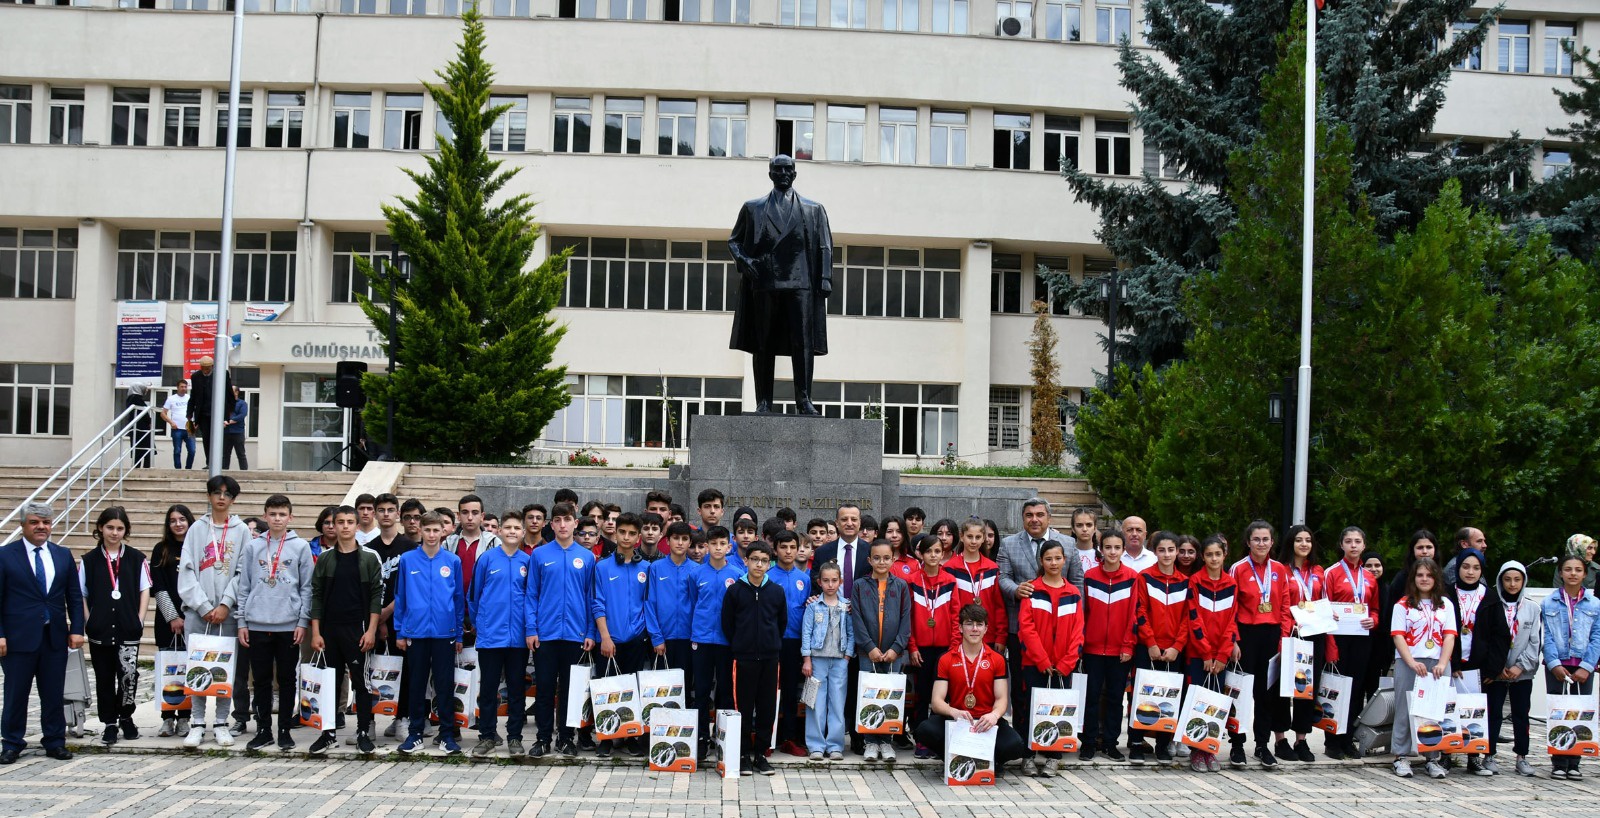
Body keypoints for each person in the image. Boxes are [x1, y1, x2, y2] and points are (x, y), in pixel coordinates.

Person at [728, 154, 833, 413]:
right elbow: (734, 241)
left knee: (803, 342)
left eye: (788, 169)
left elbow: (825, 245)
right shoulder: (753, 208)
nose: (784, 173)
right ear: (770, 174)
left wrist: (825, 278)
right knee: (763, 342)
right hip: (765, 281)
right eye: (778, 169)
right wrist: (745, 260)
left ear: (795, 174)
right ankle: (763, 401)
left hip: (801, 283)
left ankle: (804, 399)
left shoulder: (813, 208)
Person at [0, 502, 85, 764]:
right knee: (16, 694)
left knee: (52, 693)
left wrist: (77, 629)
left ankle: (54, 741)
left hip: (54, 637)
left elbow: (73, 595)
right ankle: (12, 743)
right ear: (23, 525)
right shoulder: (5, 555)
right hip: (18, 639)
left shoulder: (62, 555)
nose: (41, 527)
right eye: (35, 522)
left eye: (46, 523)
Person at [912, 604, 1029, 776]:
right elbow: (937, 702)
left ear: (986, 628)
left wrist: (994, 716)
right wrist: (954, 712)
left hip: (986, 722)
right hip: (957, 721)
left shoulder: (997, 659)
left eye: (979, 624)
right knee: (924, 731)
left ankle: (989, 760)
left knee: (1016, 745)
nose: (974, 629)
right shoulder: (946, 659)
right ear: (960, 627)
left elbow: (1002, 698)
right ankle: (955, 758)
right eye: (969, 624)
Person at [235, 494, 313, 752]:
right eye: (273, 514)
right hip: (257, 623)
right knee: (260, 680)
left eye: (282, 514)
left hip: (289, 624)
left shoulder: (300, 546)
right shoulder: (253, 547)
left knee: (288, 679)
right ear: (265, 516)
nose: (277, 519)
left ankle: (284, 730)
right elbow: (243, 586)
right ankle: (263, 729)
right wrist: (242, 622)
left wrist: (302, 621)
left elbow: (307, 588)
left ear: (290, 517)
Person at [176, 474, 249, 749]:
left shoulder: (241, 530)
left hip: (227, 613)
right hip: (199, 612)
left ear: (233, 499)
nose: (221, 498)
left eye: (227, 493)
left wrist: (225, 604)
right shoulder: (196, 529)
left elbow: (242, 572)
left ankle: (220, 722)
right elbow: (187, 571)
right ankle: (196, 723)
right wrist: (205, 606)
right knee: (197, 666)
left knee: (223, 669)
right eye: (216, 492)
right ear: (208, 495)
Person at [998, 498, 1083, 732]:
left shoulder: (1067, 543)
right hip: (1023, 629)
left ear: (1049, 517)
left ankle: (1053, 741)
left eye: (1039, 514)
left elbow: (1077, 581)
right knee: (1024, 688)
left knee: (1058, 693)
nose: (1034, 519)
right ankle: (1024, 738)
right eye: (1029, 515)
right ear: (1023, 518)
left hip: (1063, 632)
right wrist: (1017, 590)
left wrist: (1075, 614)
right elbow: (1002, 577)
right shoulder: (1009, 543)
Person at [307, 505, 382, 755]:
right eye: (340, 522)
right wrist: (316, 632)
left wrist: (371, 630)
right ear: (334, 526)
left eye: (350, 521)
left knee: (361, 683)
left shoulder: (369, 558)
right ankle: (327, 733)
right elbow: (316, 596)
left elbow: (375, 597)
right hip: (330, 631)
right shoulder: (326, 558)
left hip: (357, 629)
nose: (346, 526)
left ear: (357, 526)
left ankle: (362, 732)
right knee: (330, 682)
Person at [527, 502, 597, 757]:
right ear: (552, 524)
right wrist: (531, 629)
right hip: (546, 634)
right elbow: (531, 594)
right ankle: (543, 738)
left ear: (576, 523)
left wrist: (590, 632)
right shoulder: (540, 555)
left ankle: (566, 738)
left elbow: (592, 598)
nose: (563, 524)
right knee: (544, 688)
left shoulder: (588, 557)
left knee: (571, 690)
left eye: (568, 519)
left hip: (576, 635)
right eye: (558, 520)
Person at [394, 511, 465, 755]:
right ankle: (415, 734)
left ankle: (446, 734)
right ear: (420, 531)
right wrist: (400, 631)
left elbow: (458, 600)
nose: (432, 535)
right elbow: (401, 597)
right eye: (428, 530)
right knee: (416, 684)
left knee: (444, 685)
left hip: (445, 633)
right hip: (416, 632)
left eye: (437, 530)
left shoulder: (452, 561)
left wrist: (458, 634)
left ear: (444, 532)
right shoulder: (407, 560)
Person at [80, 506, 150, 745]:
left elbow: (144, 589)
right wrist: (90, 620)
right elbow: (82, 593)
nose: (114, 533)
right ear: (101, 528)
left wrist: (139, 619)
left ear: (126, 531)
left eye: (120, 528)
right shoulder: (88, 560)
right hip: (100, 630)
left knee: (128, 675)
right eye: (110, 527)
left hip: (128, 628)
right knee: (104, 676)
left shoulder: (136, 558)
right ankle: (109, 722)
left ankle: (126, 717)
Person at [468, 506, 533, 759]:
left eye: (517, 528)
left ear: (523, 532)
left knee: (517, 689)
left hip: (518, 638)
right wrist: (480, 624)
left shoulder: (528, 562)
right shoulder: (486, 559)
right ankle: (486, 736)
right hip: (490, 636)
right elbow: (473, 596)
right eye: (508, 527)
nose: (512, 531)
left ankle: (515, 737)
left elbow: (531, 598)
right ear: (499, 531)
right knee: (489, 689)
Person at [1016, 540, 1084, 776]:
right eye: (1048, 559)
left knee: (1059, 710)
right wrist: (1042, 661)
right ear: (1041, 561)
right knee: (1030, 709)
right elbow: (1026, 629)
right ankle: (1028, 755)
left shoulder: (1073, 593)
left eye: (1058, 558)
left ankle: (1054, 756)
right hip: (1036, 665)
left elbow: (1078, 632)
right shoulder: (1033, 590)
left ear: (1064, 560)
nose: (1053, 563)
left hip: (1064, 667)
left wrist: (1066, 663)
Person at [1227, 520, 1291, 769]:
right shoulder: (1239, 568)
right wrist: (1233, 639)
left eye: (1265, 539)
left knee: (1266, 695)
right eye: (1256, 539)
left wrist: (1283, 638)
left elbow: (1285, 605)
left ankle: (1262, 745)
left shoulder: (1279, 569)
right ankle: (1237, 745)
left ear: (1272, 542)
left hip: (1271, 635)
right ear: (1248, 542)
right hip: (1246, 635)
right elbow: (1230, 607)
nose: (1261, 543)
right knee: (1240, 692)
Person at [722, 542, 787, 776]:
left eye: (764, 560)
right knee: (743, 708)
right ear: (746, 561)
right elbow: (727, 624)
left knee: (767, 708)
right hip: (744, 658)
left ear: (769, 563)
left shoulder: (776, 591)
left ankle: (761, 754)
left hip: (770, 658)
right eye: (754, 559)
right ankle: (743, 755)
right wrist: (742, 644)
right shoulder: (735, 591)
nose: (759, 564)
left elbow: (781, 623)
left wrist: (770, 644)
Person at [1390, 557, 1456, 780]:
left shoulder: (1446, 604)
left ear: (1436, 578)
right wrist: (1411, 663)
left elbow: (1449, 636)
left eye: (1429, 575)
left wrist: (1442, 663)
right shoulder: (1402, 605)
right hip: (1410, 663)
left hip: (1437, 664)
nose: (1425, 579)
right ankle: (1400, 756)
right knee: (1404, 709)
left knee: (1433, 712)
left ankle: (1432, 758)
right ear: (1413, 578)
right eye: (1420, 575)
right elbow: (1398, 636)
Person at [591, 512, 649, 758]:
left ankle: (631, 736)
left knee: (632, 688)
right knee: (607, 689)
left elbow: (649, 603)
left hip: (636, 639)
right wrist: (604, 637)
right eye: (622, 532)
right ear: (615, 533)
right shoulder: (603, 566)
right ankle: (605, 737)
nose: (626, 537)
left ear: (638, 537)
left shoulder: (646, 568)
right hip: (609, 639)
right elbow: (597, 603)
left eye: (631, 533)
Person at [1475, 560, 1540, 777]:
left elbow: (1535, 641)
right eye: (1507, 579)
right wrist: (1497, 667)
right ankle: (1489, 754)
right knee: (1493, 713)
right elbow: (1487, 637)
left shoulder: (1532, 608)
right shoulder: (1492, 604)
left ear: (1524, 581)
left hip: (1522, 673)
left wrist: (1521, 666)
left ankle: (1522, 756)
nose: (1512, 584)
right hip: (1497, 672)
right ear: (1500, 581)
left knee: (1521, 714)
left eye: (1517, 579)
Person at [852, 540, 911, 763]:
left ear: (893, 560)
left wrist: (897, 648)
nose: (881, 562)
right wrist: (870, 647)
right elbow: (857, 619)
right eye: (876, 558)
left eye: (886, 558)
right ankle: (870, 742)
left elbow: (906, 620)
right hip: (869, 653)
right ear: (869, 560)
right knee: (870, 695)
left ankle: (886, 742)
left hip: (893, 654)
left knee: (890, 696)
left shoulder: (901, 586)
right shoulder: (859, 585)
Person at [1542, 552, 1600, 780]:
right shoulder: (1549, 602)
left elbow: (1597, 637)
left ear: (1585, 574)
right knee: (1558, 713)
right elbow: (1545, 635)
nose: (1573, 574)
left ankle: (1575, 761)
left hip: (1584, 667)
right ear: (1560, 573)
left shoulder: (1595, 603)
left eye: (1578, 570)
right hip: (1557, 666)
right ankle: (1558, 760)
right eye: (1568, 569)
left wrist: (1587, 666)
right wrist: (1554, 663)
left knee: (1580, 713)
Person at [1131, 530, 1187, 764]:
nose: (1166, 554)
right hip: (1148, 648)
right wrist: (1151, 643)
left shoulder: (1185, 582)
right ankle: (1135, 743)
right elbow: (1140, 612)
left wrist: (1177, 646)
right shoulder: (1144, 577)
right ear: (1154, 552)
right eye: (1161, 550)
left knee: (1169, 698)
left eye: (1171, 550)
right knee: (1142, 696)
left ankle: (1163, 745)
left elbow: (1188, 618)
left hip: (1174, 651)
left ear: (1177, 552)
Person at [1324, 525, 1378, 760]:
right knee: (1336, 690)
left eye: (1358, 541)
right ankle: (1331, 742)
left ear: (1364, 545)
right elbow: (1323, 607)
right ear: (1342, 545)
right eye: (1349, 541)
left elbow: (1375, 609)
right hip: (1338, 638)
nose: (1353, 545)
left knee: (1356, 691)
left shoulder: (1369, 577)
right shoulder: (1332, 572)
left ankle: (1348, 739)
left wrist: (1373, 620)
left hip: (1361, 638)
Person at [1080, 530, 1136, 761]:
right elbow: (1083, 613)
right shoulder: (1089, 576)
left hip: (1119, 651)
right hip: (1092, 650)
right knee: (1090, 697)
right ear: (1100, 550)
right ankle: (1088, 743)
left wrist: (1127, 646)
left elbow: (1134, 615)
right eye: (1108, 547)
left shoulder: (1133, 577)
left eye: (1117, 547)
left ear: (1123, 550)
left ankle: (1111, 743)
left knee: (1115, 698)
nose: (1112, 552)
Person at [1186, 534, 1238, 773]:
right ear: (1203, 557)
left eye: (1218, 554)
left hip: (1220, 657)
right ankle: (1196, 751)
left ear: (1224, 555)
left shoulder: (1231, 584)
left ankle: (1211, 749)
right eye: (1209, 555)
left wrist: (1222, 655)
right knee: (1198, 702)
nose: (1214, 558)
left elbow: (1231, 623)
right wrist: (1206, 653)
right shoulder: (1195, 582)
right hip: (1200, 656)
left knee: (1217, 704)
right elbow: (1194, 620)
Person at [1274, 524, 1325, 763]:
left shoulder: (1318, 571)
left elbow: (1322, 601)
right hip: (1289, 633)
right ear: (1290, 543)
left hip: (1313, 634)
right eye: (1298, 540)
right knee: (1283, 689)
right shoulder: (1280, 570)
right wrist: (1285, 633)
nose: (1304, 544)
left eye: (1308, 540)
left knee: (1306, 689)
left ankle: (1301, 740)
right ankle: (1281, 739)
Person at [689, 525, 740, 761]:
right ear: (707, 546)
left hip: (726, 641)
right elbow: (693, 603)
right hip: (701, 639)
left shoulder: (738, 575)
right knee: (701, 691)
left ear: (729, 547)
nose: (718, 548)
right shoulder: (697, 574)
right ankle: (701, 738)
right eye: (714, 544)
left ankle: (723, 738)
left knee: (726, 693)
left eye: (723, 544)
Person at [371, 493, 418, 739]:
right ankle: (367, 721)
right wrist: (375, 620)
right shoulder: (368, 549)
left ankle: (402, 718)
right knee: (372, 670)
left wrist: (387, 613)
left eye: (391, 509)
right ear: (375, 514)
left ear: (398, 514)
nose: (386, 514)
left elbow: (410, 588)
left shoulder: (410, 548)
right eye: (382, 510)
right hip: (372, 621)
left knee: (405, 670)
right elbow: (368, 588)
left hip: (402, 620)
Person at [906, 533, 955, 759]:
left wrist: (954, 648)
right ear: (921, 554)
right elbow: (907, 617)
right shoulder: (912, 581)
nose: (933, 555)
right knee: (922, 695)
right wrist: (913, 646)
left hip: (945, 649)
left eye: (937, 551)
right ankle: (920, 739)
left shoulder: (950, 581)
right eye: (929, 551)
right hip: (921, 650)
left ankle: (939, 741)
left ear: (943, 553)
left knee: (943, 697)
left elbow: (956, 618)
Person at [766, 529, 812, 757]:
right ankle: (767, 738)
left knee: (791, 691)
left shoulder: (804, 579)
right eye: (783, 547)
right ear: (775, 550)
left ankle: (789, 737)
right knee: (769, 691)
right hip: (771, 642)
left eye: (793, 547)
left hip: (795, 642)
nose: (788, 551)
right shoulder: (767, 576)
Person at [802, 559, 854, 761]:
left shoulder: (846, 606)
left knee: (837, 703)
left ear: (840, 581)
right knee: (815, 703)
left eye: (834, 580)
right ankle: (815, 745)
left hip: (840, 661)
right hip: (817, 661)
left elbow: (851, 632)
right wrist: (807, 659)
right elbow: (806, 633)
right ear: (819, 582)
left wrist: (848, 656)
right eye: (826, 581)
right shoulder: (813, 606)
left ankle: (835, 745)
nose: (830, 585)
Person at [151, 503, 194, 737]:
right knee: (169, 671)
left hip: (194, 619)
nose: (178, 524)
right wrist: (173, 617)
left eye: (182, 519)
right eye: (173, 520)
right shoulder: (161, 549)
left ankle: (185, 718)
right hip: (168, 621)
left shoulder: (197, 547)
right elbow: (158, 587)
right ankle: (167, 718)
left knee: (188, 670)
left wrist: (190, 615)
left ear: (189, 521)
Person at [1451, 549, 1491, 775]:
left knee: (1475, 712)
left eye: (1476, 568)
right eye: (1466, 566)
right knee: (1449, 710)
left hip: (1478, 665)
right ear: (1458, 568)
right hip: (1452, 664)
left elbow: (1498, 635)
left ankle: (1473, 757)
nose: (1470, 572)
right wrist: (1452, 662)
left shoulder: (1489, 597)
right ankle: (1446, 755)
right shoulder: (1447, 595)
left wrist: (1491, 668)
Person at [645, 521, 698, 684]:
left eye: (684, 539)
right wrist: (656, 637)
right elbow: (649, 603)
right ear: (667, 541)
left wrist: (695, 635)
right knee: (661, 689)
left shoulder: (696, 569)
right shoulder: (655, 568)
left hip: (687, 638)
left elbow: (698, 605)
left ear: (690, 542)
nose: (680, 543)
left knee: (684, 686)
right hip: (662, 637)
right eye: (676, 538)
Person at [946, 519, 1006, 652]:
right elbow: (948, 608)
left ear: (984, 538)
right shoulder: (949, 568)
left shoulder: (992, 568)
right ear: (961, 537)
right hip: (959, 637)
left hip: (987, 636)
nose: (973, 541)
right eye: (969, 537)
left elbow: (999, 606)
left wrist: (1001, 636)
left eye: (978, 537)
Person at [186, 355, 234, 469]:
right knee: (206, 439)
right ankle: (209, 463)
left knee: (218, 438)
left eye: (208, 368)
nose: (205, 370)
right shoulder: (196, 376)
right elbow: (193, 396)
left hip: (218, 413)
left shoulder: (222, 374)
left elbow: (229, 393)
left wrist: (230, 412)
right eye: (203, 368)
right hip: (203, 414)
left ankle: (218, 463)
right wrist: (189, 414)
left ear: (212, 366)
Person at [161, 379, 195, 469]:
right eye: (182, 387)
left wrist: (196, 422)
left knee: (192, 450)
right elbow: (163, 413)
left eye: (185, 387)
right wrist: (171, 422)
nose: (184, 388)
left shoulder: (190, 398)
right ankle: (178, 469)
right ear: (177, 387)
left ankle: (188, 469)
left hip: (190, 427)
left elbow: (196, 411)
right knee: (177, 450)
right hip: (177, 428)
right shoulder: (171, 399)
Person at [125, 382, 156, 468]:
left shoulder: (131, 398)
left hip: (138, 427)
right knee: (144, 448)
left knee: (140, 448)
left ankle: (139, 466)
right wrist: (149, 421)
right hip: (140, 427)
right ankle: (145, 467)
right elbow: (143, 412)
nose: (145, 391)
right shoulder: (136, 398)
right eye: (144, 389)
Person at [222, 384, 249, 470]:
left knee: (241, 454)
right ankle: (224, 472)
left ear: (237, 392)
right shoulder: (224, 403)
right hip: (226, 432)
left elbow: (242, 415)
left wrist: (228, 421)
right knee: (225, 454)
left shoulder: (242, 403)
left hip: (238, 432)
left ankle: (244, 473)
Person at [1069, 507, 1099, 583]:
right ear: (1073, 529)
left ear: (1095, 528)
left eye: (1089, 525)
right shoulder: (1067, 553)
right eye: (1079, 525)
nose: (1085, 529)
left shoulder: (1103, 554)